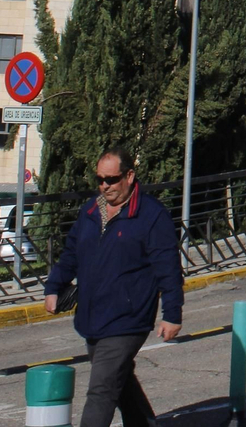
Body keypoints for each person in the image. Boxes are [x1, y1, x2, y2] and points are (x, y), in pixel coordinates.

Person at [44, 147, 183, 427]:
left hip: (129, 318)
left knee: (102, 388)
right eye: (100, 179)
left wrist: (172, 314)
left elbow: (168, 268)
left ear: (129, 176)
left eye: (111, 179)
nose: (105, 185)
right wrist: (53, 286)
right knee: (117, 377)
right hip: (93, 315)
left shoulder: (151, 215)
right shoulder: (91, 210)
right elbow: (71, 252)